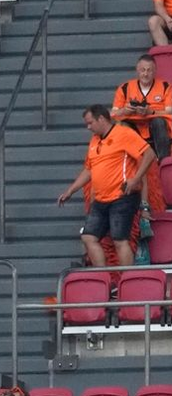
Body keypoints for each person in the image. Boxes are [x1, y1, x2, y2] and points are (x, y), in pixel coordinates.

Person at [59, 103, 154, 269]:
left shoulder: (123, 133)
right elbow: (89, 169)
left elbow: (149, 153)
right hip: (101, 199)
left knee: (120, 240)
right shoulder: (95, 141)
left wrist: (135, 178)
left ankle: (127, 283)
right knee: (88, 237)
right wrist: (71, 190)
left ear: (101, 119)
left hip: (122, 197)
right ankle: (102, 279)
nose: (88, 127)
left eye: (90, 123)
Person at [114, 54, 172, 181]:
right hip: (133, 124)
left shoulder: (165, 86)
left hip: (154, 125)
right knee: (121, 126)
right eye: (143, 70)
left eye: (149, 70)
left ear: (154, 71)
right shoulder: (125, 88)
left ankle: (163, 161)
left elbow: (169, 112)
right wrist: (126, 110)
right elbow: (114, 113)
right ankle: (129, 162)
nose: (145, 74)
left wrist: (150, 111)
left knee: (159, 121)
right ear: (137, 70)